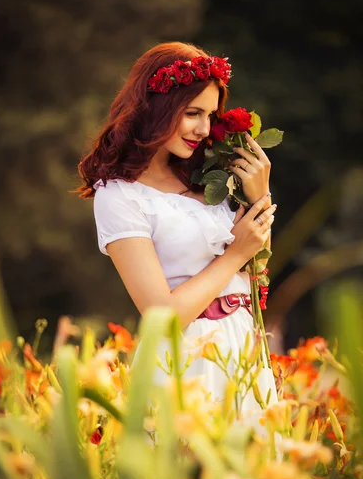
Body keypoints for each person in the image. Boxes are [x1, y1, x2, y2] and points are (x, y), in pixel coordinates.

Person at [77, 41, 278, 425]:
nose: (204, 129)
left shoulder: (210, 179)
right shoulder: (119, 195)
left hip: (243, 349)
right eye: (192, 113)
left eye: (210, 115)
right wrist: (234, 254)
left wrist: (260, 194)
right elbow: (160, 316)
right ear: (157, 107)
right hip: (187, 360)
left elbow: (255, 273)